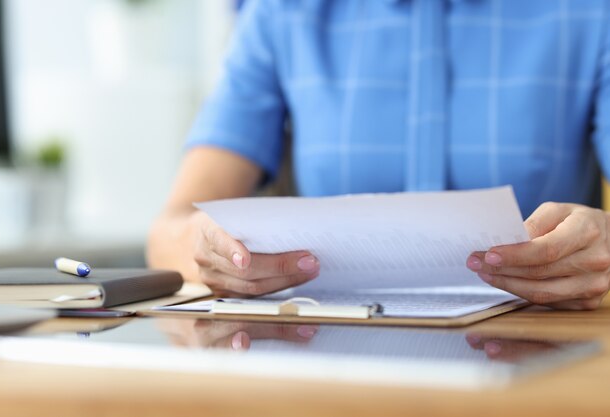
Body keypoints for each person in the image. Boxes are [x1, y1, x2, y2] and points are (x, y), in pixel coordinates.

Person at [147, 0, 610, 310]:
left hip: (538, 354)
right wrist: (207, 247)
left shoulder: (590, 13)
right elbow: (168, 234)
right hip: (331, 354)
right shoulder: (280, 13)